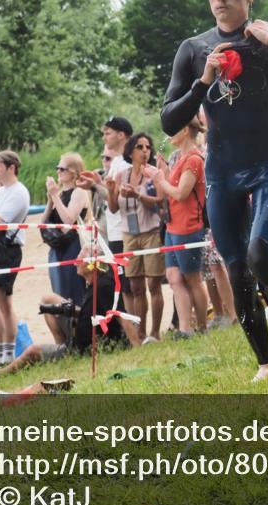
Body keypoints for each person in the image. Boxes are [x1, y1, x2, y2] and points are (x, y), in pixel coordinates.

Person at [161, 0, 268, 381]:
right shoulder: (195, 50)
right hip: (222, 173)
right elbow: (168, 120)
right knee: (236, 270)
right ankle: (266, 363)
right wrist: (203, 80)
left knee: (260, 255)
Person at [0, 247, 125, 380]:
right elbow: (91, 313)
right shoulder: (94, 282)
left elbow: (120, 315)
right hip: (79, 334)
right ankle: (59, 348)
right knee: (49, 301)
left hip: (82, 348)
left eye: (80, 257)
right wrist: (67, 310)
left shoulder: (103, 286)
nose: (75, 262)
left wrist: (136, 344)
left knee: (32, 351)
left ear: (92, 263)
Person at [150, 117, 209, 336]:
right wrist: (160, 173)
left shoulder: (193, 159)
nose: (169, 135)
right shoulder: (180, 158)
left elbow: (181, 193)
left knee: (193, 278)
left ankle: (202, 326)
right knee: (174, 278)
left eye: (173, 129)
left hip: (189, 227)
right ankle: (184, 328)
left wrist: (161, 179)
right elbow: (169, 191)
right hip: (173, 227)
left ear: (185, 130)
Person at [109, 132, 166, 344]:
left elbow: (161, 201)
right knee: (136, 287)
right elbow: (114, 209)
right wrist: (110, 191)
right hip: (129, 235)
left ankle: (155, 331)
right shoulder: (120, 176)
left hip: (150, 232)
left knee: (154, 284)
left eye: (148, 147)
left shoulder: (153, 173)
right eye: (140, 147)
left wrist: (138, 195)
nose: (145, 151)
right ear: (130, 150)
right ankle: (141, 333)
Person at [78, 116, 136, 315]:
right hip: (114, 232)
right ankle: (134, 332)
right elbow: (112, 194)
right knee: (125, 287)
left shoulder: (127, 163)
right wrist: (97, 183)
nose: (104, 137)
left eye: (108, 132)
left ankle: (139, 332)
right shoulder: (118, 161)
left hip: (124, 230)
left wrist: (95, 185)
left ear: (121, 135)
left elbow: (117, 201)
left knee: (130, 286)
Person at [0, 151, 31, 367]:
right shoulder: (1, 190)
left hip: (6, 248)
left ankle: (1, 354)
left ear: (11, 167)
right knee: (3, 303)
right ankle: (5, 354)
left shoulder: (18, 192)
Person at [42, 153, 90, 307]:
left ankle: (78, 327)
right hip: (57, 248)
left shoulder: (79, 192)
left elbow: (69, 220)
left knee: (73, 291)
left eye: (62, 169)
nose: (58, 171)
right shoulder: (60, 193)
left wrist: (55, 196)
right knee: (59, 292)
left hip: (73, 247)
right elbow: (43, 222)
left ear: (74, 172)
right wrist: (51, 200)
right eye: (57, 168)